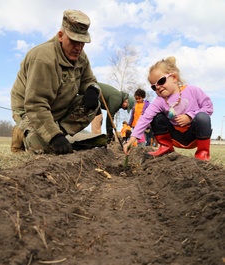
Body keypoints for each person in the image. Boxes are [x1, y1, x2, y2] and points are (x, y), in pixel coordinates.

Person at [11, 10, 101, 155]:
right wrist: (55, 137)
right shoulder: (43, 59)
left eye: (82, 43)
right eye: (74, 41)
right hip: (30, 111)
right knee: (44, 149)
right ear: (60, 36)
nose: (78, 48)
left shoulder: (81, 57)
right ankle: (23, 132)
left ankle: (54, 132)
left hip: (58, 108)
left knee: (93, 105)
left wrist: (92, 89)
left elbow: (89, 80)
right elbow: (35, 105)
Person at [123, 56, 213, 161]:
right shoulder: (159, 100)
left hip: (194, 135)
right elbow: (145, 117)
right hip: (175, 136)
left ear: (174, 77)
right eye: (153, 86)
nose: (158, 87)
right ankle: (166, 147)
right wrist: (131, 140)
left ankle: (203, 153)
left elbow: (208, 107)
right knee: (156, 117)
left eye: (161, 81)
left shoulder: (193, 91)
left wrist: (190, 116)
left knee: (203, 117)